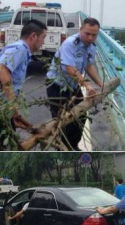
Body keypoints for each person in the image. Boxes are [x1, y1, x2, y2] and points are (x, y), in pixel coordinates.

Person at [46, 17, 104, 150]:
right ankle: (62, 148)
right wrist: (87, 85)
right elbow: (70, 69)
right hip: (57, 85)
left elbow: (89, 66)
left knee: (81, 115)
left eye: (94, 35)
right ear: (80, 29)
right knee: (62, 121)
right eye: (87, 33)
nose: (90, 38)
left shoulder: (91, 47)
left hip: (72, 85)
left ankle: (73, 146)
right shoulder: (70, 44)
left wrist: (101, 84)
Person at [0, 20, 47, 130]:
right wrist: (13, 105)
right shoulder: (20, 48)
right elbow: (1, 69)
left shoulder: (23, 50)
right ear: (33, 36)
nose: (43, 42)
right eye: (43, 37)